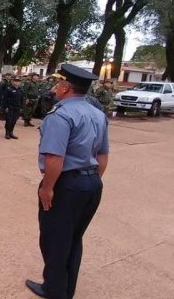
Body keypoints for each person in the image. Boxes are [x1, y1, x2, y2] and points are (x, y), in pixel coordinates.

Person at [26, 64, 109, 299]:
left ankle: (54, 290)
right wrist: (91, 180)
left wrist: (48, 188)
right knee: (74, 238)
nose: (54, 88)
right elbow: (102, 155)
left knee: (55, 238)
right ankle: (66, 288)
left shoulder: (60, 114)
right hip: (92, 183)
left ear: (65, 87)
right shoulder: (97, 113)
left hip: (66, 184)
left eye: (57, 83)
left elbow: (55, 158)